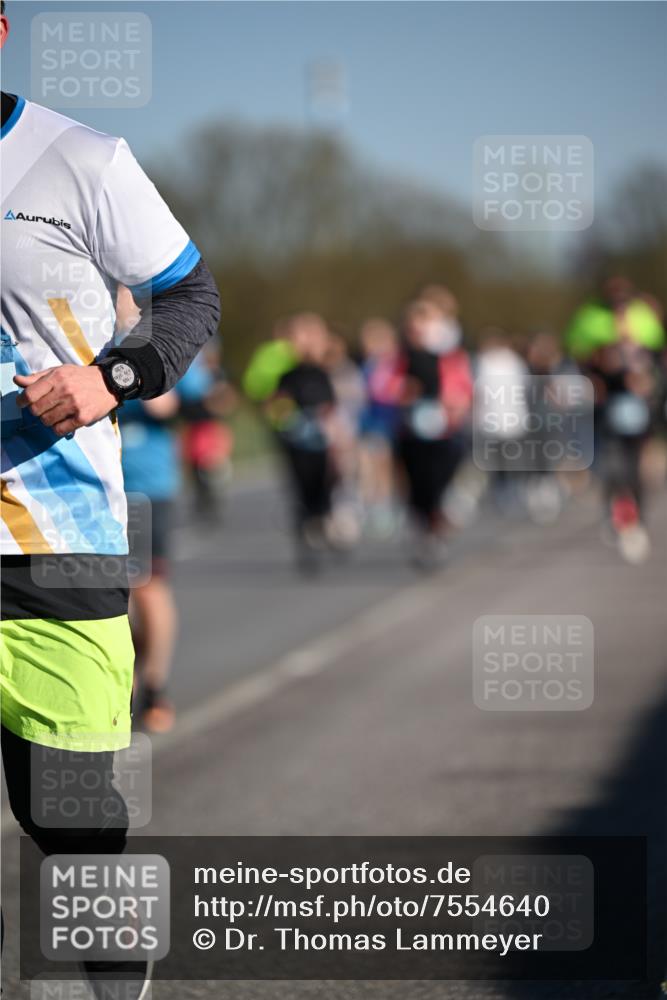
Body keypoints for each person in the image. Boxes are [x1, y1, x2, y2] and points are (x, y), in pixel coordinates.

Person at [0, 6, 221, 994]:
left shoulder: (76, 158)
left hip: (56, 538)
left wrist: (110, 379)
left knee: (75, 824)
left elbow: (190, 298)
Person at [396, 296, 473, 568]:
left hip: (444, 431)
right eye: (415, 324)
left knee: (439, 482)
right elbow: (383, 386)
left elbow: (464, 387)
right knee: (417, 487)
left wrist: (457, 402)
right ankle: (424, 532)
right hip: (409, 432)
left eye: (425, 323)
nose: (420, 330)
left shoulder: (451, 357)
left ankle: (437, 528)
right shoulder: (400, 358)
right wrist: (401, 393)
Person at [357, 318, 403, 536]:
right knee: (368, 464)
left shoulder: (396, 365)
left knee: (388, 466)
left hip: (391, 420)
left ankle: (386, 505)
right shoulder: (366, 366)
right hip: (370, 422)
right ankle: (372, 504)